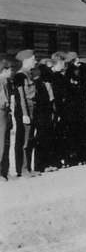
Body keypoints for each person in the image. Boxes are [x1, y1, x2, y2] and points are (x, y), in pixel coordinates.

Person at [13, 49, 39, 178]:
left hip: (32, 107)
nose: (36, 61)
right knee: (23, 140)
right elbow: (21, 97)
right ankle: (22, 169)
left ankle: (28, 167)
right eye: (33, 59)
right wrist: (24, 114)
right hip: (25, 108)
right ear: (26, 61)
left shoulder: (29, 74)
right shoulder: (19, 76)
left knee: (30, 139)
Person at [0, 60, 13, 181]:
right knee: (1, 143)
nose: (11, 72)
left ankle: (5, 171)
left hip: (6, 112)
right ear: (4, 70)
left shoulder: (7, 82)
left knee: (6, 142)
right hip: (0, 113)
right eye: (10, 70)